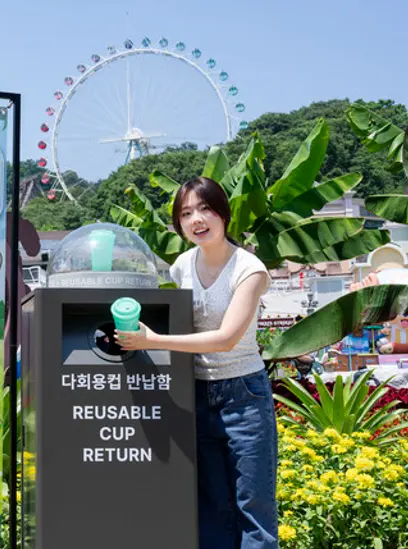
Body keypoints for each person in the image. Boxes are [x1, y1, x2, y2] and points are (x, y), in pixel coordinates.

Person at [116, 176, 278, 549]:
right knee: (212, 507)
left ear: (223, 213)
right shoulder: (181, 267)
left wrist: (152, 341)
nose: (196, 219)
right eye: (186, 213)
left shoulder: (249, 270)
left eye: (205, 209)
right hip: (197, 394)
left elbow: (226, 338)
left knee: (253, 510)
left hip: (245, 397)